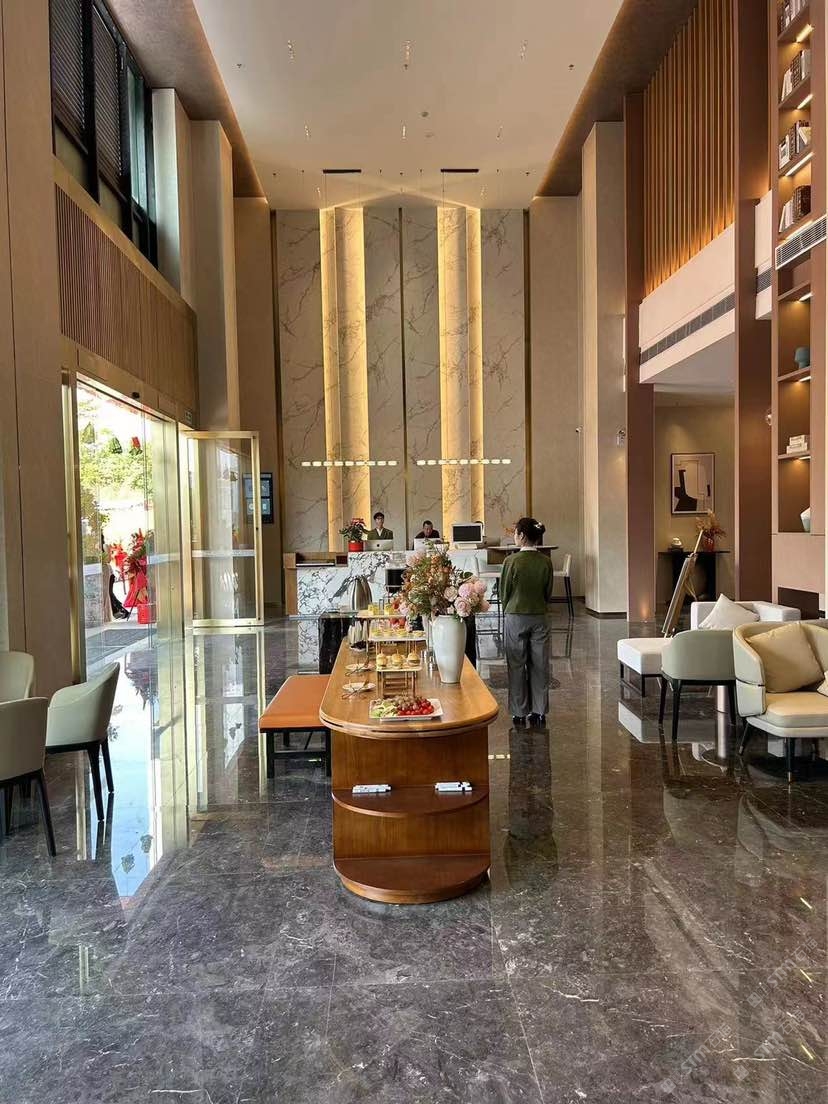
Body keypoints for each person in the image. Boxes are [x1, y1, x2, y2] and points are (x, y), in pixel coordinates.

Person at [500, 517, 554, 728]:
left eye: (515, 533)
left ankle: (519, 712)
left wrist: (509, 608)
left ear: (521, 536)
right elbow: (547, 591)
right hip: (540, 615)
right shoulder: (546, 561)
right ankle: (539, 711)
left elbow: (505, 592)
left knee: (516, 664)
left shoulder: (511, 561)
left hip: (515, 616)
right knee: (540, 663)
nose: (514, 536)